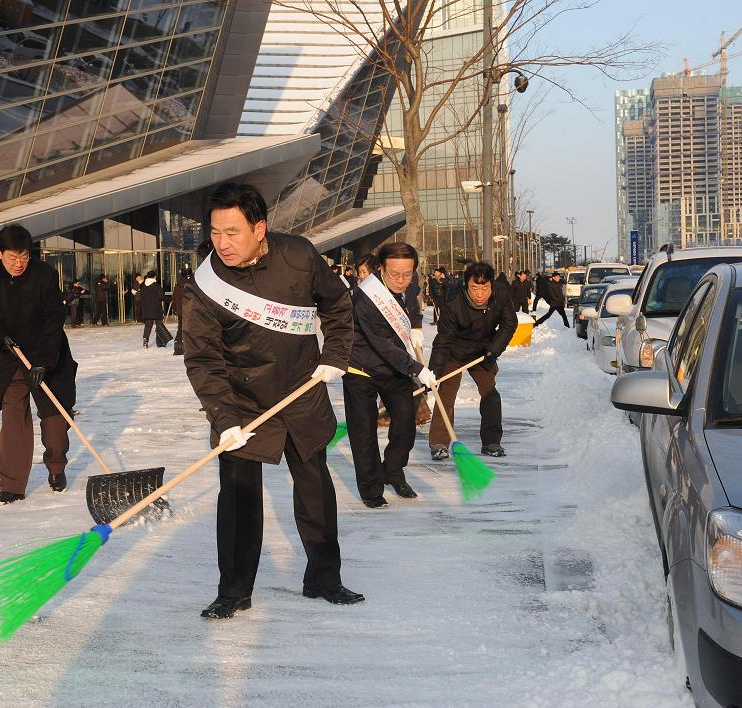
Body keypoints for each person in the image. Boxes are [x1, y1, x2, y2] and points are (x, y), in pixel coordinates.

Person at [182, 182, 361, 619]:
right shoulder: (205, 285)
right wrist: (224, 419)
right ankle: (234, 590)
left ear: (259, 228)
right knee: (239, 499)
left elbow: (338, 306)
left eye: (233, 232)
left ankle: (324, 578)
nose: (221, 244)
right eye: (215, 233)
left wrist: (334, 356)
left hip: (302, 390)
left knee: (316, 491)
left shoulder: (298, 256)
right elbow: (203, 358)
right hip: (242, 404)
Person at [0, 224, 76, 505]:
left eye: (24, 257)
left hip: (47, 354)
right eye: (12, 258)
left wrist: (43, 361)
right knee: (13, 418)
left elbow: (54, 318)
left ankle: (56, 467)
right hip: (11, 355)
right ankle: (12, 485)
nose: (18, 264)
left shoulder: (45, 275)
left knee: (54, 419)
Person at [343, 242, 437, 508]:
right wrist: (417, 369)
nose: (401, 280)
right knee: (364, 432)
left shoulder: (409, 285)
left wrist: (416, 326)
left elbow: (410, 312)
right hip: (360, 366)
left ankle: (393, 470)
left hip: (393, 367)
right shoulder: (366, 296)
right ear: (380, 268)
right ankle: (371, 489)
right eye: (394, 274)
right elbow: (381, 343)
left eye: (407, 274)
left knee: (406, 424)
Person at [428, 262, 517, 459]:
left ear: (491, 286)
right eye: (474, 288)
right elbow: (443, 339)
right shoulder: (453, 302)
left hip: (484, 350)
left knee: (490, 395)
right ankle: (439, 443)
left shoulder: (501, 294)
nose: (479, 294)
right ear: (466, 285)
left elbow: (509, 323)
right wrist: (434, 371)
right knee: (446, 396)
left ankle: (492, 442)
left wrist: (494, 350)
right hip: (454, 350)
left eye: (484, 288)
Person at [138, 270, 166, 348]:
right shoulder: (157, 286)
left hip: (147, 309)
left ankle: (145, 339)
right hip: (157, 309)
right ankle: (159, 343)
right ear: (154, 277)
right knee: (159, 326)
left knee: (148, 326)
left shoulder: (143, 286)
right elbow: (162, 296)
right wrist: (170, 299)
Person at [171, 265, 192, 356]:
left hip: (180, 311)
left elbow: (174, 298)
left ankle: (178, 340)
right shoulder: (191, 285)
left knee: (180, 326)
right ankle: (190, 344)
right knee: (192, 327)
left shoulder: (177, 286)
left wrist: (175, 309)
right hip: (190, 310)